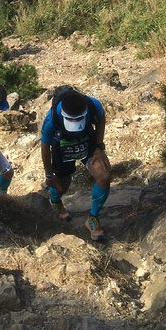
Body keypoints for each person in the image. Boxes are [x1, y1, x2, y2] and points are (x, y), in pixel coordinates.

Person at [40, 86, 111, 240]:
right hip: (62, 147)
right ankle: (55, 200)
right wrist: (49, 175)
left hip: (87, 142)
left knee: (104, 176)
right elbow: (45, 145)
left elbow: (101, 118)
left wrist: (99, 147)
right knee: (62, 186)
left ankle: (93, 218)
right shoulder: (52, 118)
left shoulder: (93, 104)